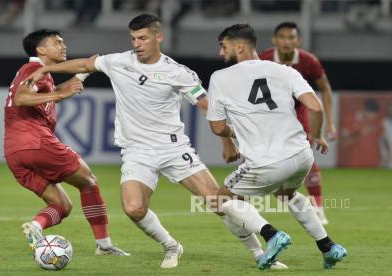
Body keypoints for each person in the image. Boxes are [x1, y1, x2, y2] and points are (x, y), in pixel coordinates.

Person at [25, 14, 286, 269]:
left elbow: (207, 106)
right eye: (133, 38)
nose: (136, 44)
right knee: (134, 208)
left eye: (142, 38)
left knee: (219, 203)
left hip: (173, 148)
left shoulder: (179, 73)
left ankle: (260, 252)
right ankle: (171, 245)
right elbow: (84, 64)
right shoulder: (118, 62)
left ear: (158, 37)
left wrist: (227, 140)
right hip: (137, 151)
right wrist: (47, 68)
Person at [207, 24, 347, 270]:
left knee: (221, 202)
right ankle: (328, 246)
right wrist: (315, 135)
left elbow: (218, 128)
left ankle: (270, 235)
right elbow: (315, 107)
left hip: (266, 162)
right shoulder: (284, 71)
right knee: (286, 194)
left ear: (239, 46)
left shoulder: (220, 78)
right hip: (302, 155)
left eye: (223, 46)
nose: (221, 52)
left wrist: (233, 132)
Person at [4, 29, 129, 257]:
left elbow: (56, 90)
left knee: (62, 205)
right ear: (40, 50)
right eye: (57, 42)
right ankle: (104, 245)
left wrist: (84, 73)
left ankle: (36, 226)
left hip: (14, 151)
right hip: (36, 141)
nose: (63, 46)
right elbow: (21, 98)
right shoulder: (33, 69)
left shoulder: (40, 75)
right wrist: (60, 96)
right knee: (89, 182)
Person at [260, 22, 336, 224]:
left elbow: (325, 89)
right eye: (282, 37)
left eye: (291, 37)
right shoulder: (263, 58)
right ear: (275, 40)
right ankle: (247, 204)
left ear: (298, 40)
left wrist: (329, 123)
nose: (287, 41)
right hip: (270, 115)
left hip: (299, 113)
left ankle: (318, 208)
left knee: (307, 156)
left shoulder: (308, 61)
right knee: (257, 156)